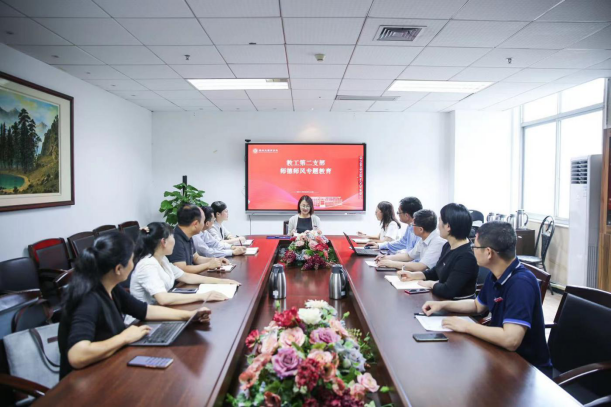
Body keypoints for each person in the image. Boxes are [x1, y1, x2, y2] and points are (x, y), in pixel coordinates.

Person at [58, 232, 212, 379]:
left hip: (107, 365)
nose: (133, 265)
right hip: (85, 380)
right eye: (132, 260)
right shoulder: (88, 299)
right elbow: (77, 355)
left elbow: (145, 310)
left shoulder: (111, 287)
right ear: (118, 269)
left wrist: (188, 315)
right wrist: (124, 338)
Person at [422, 222, 552, 373]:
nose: (473, 250)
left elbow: (511, 340)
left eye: (475, 247)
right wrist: (443, 305)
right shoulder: (496, 274)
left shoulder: (520, 284)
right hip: (500, 355)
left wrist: (466, 326)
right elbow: (477, 305)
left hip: (526, 368)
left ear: (489, 252)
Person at [131, 222, 241, 306]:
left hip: (159, 311)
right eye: (172, 237)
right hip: (140, 322)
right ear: (164, 242)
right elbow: (163, 299)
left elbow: (186, 276)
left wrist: (223, 282)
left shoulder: (162, 259)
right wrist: (203, 296)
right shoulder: (148, 265)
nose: (174, 241)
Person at [398, 204, 478, 300]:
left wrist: (431, 284)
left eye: (440, 220)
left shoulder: (466, 256)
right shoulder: (448, 245)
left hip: (457, 305)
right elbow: (437, 271)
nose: (438, 226)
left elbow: (448, 290)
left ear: (448, 226)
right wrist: (414, 275)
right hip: (444, 300)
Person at [167, 204, 230, 274]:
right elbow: (182, 270)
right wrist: (208, 265)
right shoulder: (175, 240)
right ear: (195, 224)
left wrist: (216, 260)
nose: (204, 224)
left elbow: (196, 258)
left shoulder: (188, 235)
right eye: (203, 221)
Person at [376, 209, 446, 272]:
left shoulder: (437, 241)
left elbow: (421, 266)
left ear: (421, 229)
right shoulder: (424, 238)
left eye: (413, 224)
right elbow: (409, 256)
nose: (411, 226)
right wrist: (387, 258)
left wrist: (392, 263)